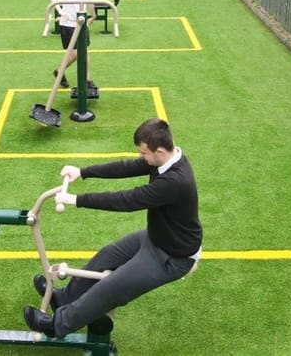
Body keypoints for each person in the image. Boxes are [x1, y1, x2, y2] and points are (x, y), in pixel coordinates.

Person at [23, 118, 202, 338]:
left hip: (172, 256)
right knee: (106, 256)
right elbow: (125, 167)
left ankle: (57, 325)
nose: (141, 157)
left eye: (144, 153)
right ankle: (64, 298)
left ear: (161, 150)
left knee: (112, 287)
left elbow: (127, 200)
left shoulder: (175, 181)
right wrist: (83, 171)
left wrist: (76, 199)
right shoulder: (166, 159)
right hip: (157, 237)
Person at [49, 0, 95, 89]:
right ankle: (59, 70)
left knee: (85, 51)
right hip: (68, 24)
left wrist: (94, 15)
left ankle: (87, 80)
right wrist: (60, 11)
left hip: (82, 22)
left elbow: (89, 0)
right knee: (76, 53)